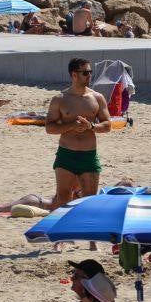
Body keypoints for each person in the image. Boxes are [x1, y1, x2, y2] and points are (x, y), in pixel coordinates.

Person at [47, 57, 112, 211]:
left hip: (88, 155)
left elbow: (108, 125)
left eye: (90, 72)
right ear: (74, 75)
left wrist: (91, 126)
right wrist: (71, 125)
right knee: (63, 199)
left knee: (89, 201)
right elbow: (49, 128)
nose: (89, 76)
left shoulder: (97, 98)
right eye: (85, 73)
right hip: (66, 155)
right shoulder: (59, 99)